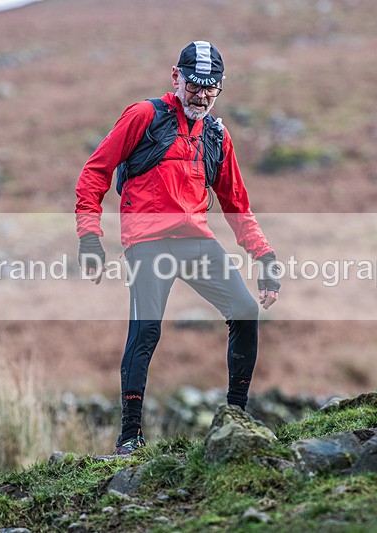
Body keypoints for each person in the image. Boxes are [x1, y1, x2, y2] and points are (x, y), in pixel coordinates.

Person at [75, 41, 281, 455]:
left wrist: (265, 257)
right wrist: (90, 238)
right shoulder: (143, 116)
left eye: (211, 88)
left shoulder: (217, 136)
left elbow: (237, 204)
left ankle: (235, 419)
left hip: (196, 241)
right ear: (176, 78)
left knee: (244, 311)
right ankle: (129, 436)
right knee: (147, 328)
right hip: (147, 243)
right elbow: (94, 173)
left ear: (220, 86)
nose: (201, 96)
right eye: (194, 86)